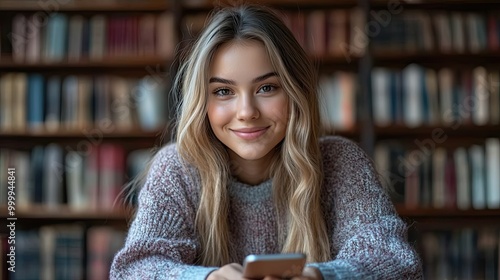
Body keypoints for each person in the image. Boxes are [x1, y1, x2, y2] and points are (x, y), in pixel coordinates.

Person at [110, 4, 423, 280]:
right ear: (201, 103)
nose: (246, 112)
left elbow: (397, 263)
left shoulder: (339, 162)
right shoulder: (178, 167)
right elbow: (134, 270)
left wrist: (321, 276)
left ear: (295, 91)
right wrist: (210, 279)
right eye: (223, 91)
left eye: (267, 88)